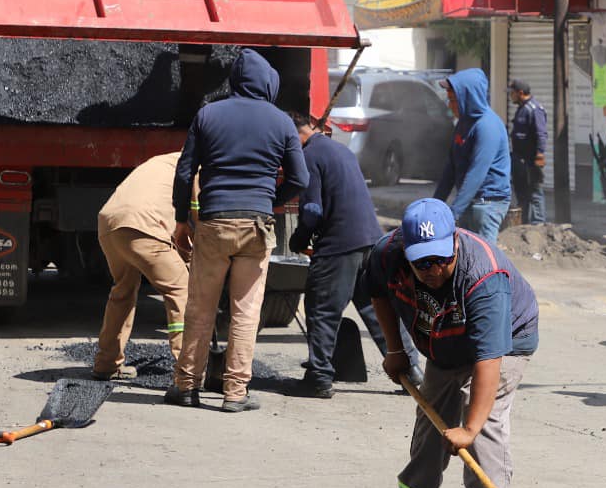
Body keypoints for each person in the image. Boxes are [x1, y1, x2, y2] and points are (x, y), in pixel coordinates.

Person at [361, 198, 540, 488]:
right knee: (431, 426)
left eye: (441, 258)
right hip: (444, 343)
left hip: (505, 343)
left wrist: (469, 429)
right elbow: (377, 293)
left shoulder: (483, 276)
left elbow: (488, 359)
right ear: (405, 250)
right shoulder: (386, 254)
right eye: (422, 261)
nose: (433, 268)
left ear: (455, 241)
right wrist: (396, 351)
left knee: (485, 424)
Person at [166, 49, 307, 412]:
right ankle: (235, 393)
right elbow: (300, 178)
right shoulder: (281, 122)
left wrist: (182, 219)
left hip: (214, 222)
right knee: (245, 311)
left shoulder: (207, 114)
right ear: (268, 83)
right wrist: (269, 200)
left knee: (200, 308)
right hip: (256, 225)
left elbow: (185, 173)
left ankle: (186, 387)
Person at [286, 112, 421, 398]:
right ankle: (411, 373)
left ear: (294, 134)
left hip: (339, 245)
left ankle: (319, 377)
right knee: (377, 309)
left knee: (322, 308)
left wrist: (298, 239)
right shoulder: (340, 150)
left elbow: (312, 211)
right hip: (372, 241)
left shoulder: (308, 156)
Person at [92, 151, 191, 381]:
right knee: (181, 290)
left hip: (109, 224)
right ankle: (188, 369)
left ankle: (106, 363)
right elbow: (195, 215)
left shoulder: (164, 161)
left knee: (123, 291)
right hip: (142, 225)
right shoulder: (196, 166)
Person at [432, 69, 512, 244]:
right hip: (471, 201)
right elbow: (450, 169)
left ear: (467, 99)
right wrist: (433, 206)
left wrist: (453, 213)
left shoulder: (487, 126)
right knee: (465, 259)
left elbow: (477, 172)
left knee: (482, 262)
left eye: (453, 100)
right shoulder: (463, 124)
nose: (449, 104)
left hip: (488, 204)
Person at [507, 79, 547, 225]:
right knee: (522, 193)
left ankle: (538, 224)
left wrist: (540, 154)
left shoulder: (534, 109)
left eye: (512, 93)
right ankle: (524, 224)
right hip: (520, 160)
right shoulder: (522, 108)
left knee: (535, 193)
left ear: (520, 93)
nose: (510, 96)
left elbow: (541, 133)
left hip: (531, 160)